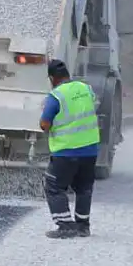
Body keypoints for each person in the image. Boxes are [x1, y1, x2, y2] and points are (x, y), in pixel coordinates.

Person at [40, 58, 100, 239]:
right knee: (83, 188)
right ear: (67, 74)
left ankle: (65, 225)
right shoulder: (85, 88)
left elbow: (45, 123)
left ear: (52, 78)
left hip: (66, 151)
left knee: (54, 186)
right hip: (90, 150)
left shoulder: (56, 96)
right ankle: (83, 226)